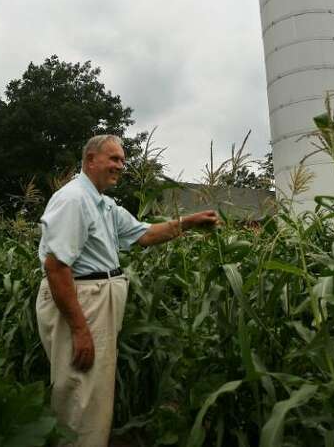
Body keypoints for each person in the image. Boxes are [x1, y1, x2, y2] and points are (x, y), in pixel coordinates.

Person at [35, 134, 220, 447]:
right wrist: (80, 329)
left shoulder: (104, 205)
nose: (121, 166)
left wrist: (188, 222)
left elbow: (144, 234)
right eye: (114, 159)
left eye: (122, 159)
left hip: (94, 299)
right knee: (80, 392)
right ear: (90, 159)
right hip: (82, 300)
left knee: (92, 392)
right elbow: (56, 267)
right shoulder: (74, 200)